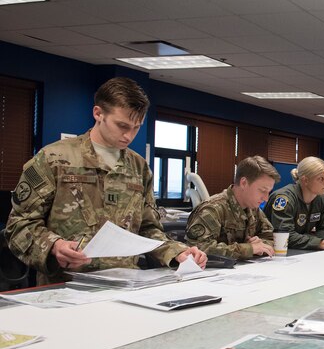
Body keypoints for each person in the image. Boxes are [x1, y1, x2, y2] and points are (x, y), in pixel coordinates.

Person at [5, 77, 206, 285]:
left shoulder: (139, 168)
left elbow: (148, 230)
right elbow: (18, 225)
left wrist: (177, 252)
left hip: (125, 286)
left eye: (136, 127)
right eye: (122, 125)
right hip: (66, 286)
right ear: (98, 113)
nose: (129, 136)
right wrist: (55, 245)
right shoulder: (54, 159)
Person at [185, 156, 279, 260]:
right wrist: (247, 249)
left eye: (268, 192)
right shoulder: (212, 209)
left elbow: (271, 237)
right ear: (244, 183)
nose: (266, 198)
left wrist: (260, 244)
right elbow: (198, 249)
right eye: (262, 190)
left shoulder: (253, 208)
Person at [264, 156, 324, 251]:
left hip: (302, 251)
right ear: (305, 180)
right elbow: (285, 237)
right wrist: (320, 243)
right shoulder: (284, 198)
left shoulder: (323, 199)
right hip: (273, 253)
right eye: (321, 179)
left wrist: (307, 238)